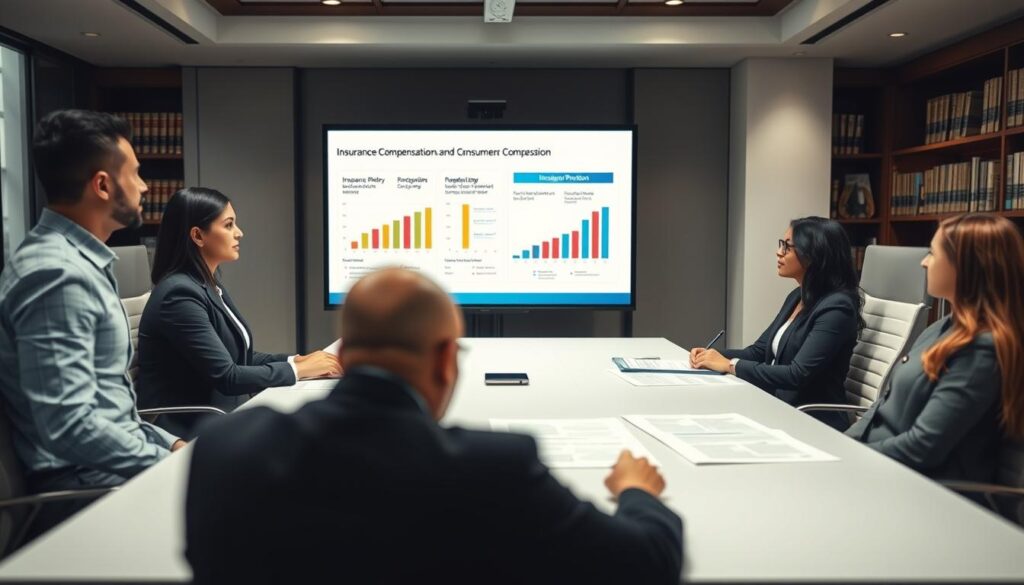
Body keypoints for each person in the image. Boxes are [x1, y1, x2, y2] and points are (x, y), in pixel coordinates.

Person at [185, 268, 683, 585]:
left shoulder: (224, 449)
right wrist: (638, 493)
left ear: (344, 353)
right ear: (447, 359)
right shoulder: (494, 469)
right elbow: (645, 563)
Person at [0, 110, 186, 539]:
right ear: (102, 185)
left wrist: (170, 444)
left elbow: (109, 409)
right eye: (136, 174)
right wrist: (167, 465)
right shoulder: (55, 274)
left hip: (106, 474)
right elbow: (68, 426)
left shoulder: (79, 262)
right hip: (83, 493)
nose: (143, 186)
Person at [137, 187, 339, 436]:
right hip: (189, 424)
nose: (239, 233)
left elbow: (239, 356)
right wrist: (299, 371)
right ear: (198, 236)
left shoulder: (206, 284)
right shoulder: (178, 295)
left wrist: (296, 360)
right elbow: (227, 376)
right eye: (229, 225)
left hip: (217, 412)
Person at [846, 214, 1024, 486]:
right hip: (881, 467)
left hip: (927, 489)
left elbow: (922, 447)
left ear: (965, 267)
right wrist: (842, 444)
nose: (924, 262)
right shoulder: (942, 327)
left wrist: (851, 458)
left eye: (933, 253)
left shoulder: (982, 350)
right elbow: (881, 405)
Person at [692, 217, 863, 429]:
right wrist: (711, 356)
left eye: (787, 247)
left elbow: (797, 374)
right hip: (779, 406)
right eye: (781, 244)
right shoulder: (798, 296)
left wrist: (729, 365)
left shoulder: (837, 308)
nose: (779, 252)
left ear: (814, 255)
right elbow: (758, 352)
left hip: (812, 419)